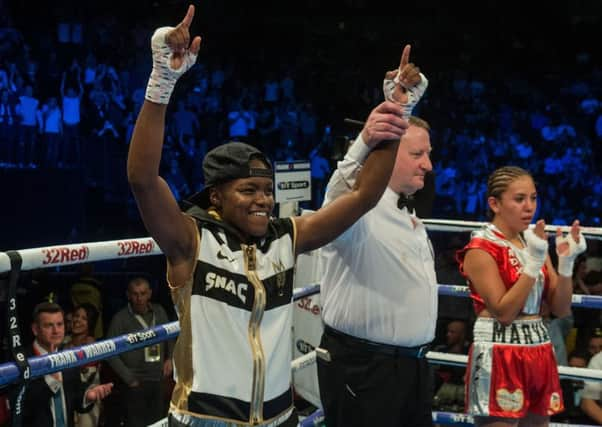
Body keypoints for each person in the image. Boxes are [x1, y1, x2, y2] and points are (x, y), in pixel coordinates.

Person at [126, 5, 411, 427]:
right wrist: (162, 81)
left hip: (280, 418)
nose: (263, 200)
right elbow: (143, 180)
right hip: (207, 419)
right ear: (216, 198)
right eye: (248, 190)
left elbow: (366, 197)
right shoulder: (191, 242)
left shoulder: (286, 238)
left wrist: (397, 111)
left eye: (267, 191)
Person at [316, 103, 435, 427]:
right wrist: (366, 140)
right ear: (390, 154)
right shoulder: (361, 210)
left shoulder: (408, 215)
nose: (428, 164)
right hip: (364, 368)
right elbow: (337, 196)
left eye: (428, 153)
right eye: (417, 154)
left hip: (412, 370)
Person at [456, 166, 586, 427]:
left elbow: (560, 309)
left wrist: (566, 264)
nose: (529, 207)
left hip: (539, 347)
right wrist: (534, 263)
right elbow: (503, 313)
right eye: (519, 199)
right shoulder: (481, 248)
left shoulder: (532, 242)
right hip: (499, 352)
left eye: (533, 198)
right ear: (494, 204)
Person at [23, 302, 113, 427]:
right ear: (35, 329)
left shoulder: (68, 356)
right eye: (49, 325)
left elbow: (75, 395)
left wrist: (87, 397)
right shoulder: (22, 362)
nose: (56, 331)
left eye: (60, 324)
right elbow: (22, 408)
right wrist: (51, 381)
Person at [106, 276, 173, 427]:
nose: (139, 298)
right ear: (128, 295)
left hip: (158, 379)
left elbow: (170, 335)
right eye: (135, 294)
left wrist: (170, 359)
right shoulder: (120, 318)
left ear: (149, 293)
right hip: (135, 383)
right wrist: (129, 378)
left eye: (143, 293)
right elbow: (110, 352)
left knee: (159, 422)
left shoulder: (159, 311)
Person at [64, 304, 101, 427]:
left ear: (90, 323)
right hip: (67, 400)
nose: (77, 320)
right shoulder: (64, 342)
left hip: (88, 400)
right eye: (76, 316)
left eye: (84, 318)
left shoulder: (92, 346)